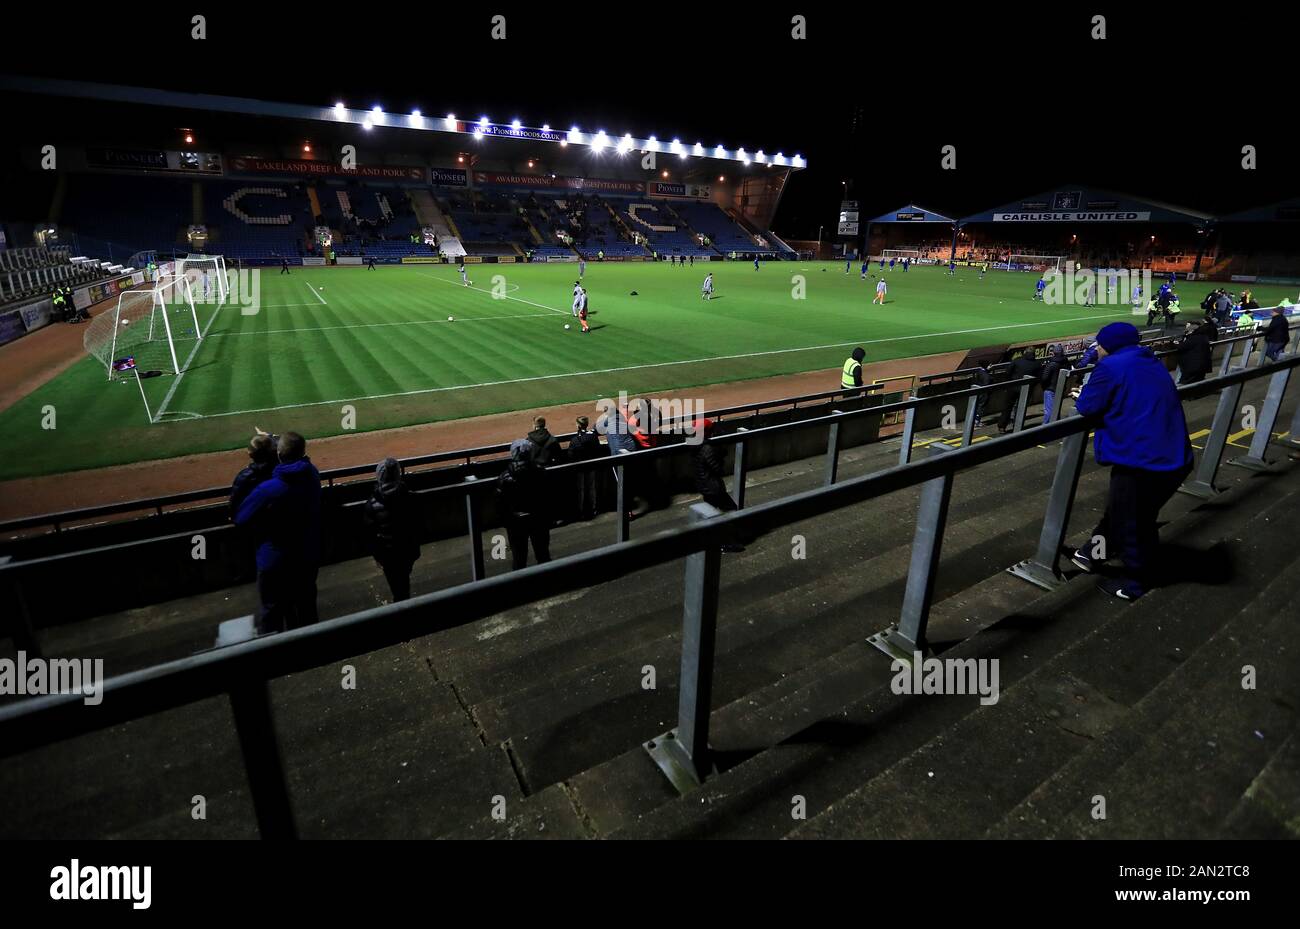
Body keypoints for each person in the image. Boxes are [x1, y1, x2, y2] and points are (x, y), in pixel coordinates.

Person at [1070, 322, 1193, 600]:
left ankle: (1136, 583)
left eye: (1099, 344)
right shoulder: (1150, 361)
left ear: (1109, 346)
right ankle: (1093, 552)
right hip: (1174, 457)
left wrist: (1082, 395)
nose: (1097, 349)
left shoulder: (1110, 367)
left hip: (1145, 461)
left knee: (1134, 523)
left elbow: (1088, 406)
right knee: (1122, 511)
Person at [234, 432, 323, 633]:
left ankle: (274, 655)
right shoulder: (312, 475)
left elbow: (241, 519)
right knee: (306, 605)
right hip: (307, 555)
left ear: (279, 454)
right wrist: (275, 441)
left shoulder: (268, 490)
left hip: (275, 560)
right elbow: (297, 459)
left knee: (272, 611)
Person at [363, 458, 421, 602]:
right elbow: (418, 524)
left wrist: (377, 556)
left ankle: (401, 608)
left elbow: (370, 535)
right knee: (403, 582)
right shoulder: (409, 496)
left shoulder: (372, 503)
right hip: (407, 550)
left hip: (388, 554)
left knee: (397, 587)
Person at [690, 420, 745, 553]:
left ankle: (715, 541)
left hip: (704, 485)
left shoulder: (694, 443)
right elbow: (718, 469)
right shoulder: (707, 448)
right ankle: (726, 544)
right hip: (713, 487)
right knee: (730, 510)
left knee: (712, 514)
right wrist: (720, 453)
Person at [498, 436, 552, 569]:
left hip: (515, 521)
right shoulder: (540, 472)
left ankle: (520, 586)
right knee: (543, 554)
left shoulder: (504, 476)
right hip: (538, 517)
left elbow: (500, 503)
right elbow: (548, 497)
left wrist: (507, 521)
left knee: (519, 558)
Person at [229, 429, 279, 521]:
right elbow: (288, 444)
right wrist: (270, 436)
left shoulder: (245, 476)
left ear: (250, 454)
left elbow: (235, 502)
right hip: (278, 518)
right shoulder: (280, 469)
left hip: (254, 522)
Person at [567, 415, 604, 521]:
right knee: (592, 488)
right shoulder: (593, 436)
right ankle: (593, 508)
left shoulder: (575, 439)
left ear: (578, 425)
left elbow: (570, 454)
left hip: (580, 467)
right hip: (591, 465)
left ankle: (580, 510)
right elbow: (597, 448)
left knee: (580, 490)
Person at [999, 350, 1042, 433]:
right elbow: (1039, 378)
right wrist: (1032, 386)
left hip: (1013, 387)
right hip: (1026, 389)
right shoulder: (1037, 364)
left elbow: (1008, 372)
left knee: (1007, 407)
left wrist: (1008, 384)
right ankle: (1017, 426)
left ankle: (1002, 426)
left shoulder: (1017, 360)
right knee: (1021, 408)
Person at [1040, 344, 1068, 424]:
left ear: (1054, 353)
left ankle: (1044, 430)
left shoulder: (1051, 364)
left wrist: (1044, 386)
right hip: (1061, 389)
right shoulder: (1066, 362)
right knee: (1056, 410)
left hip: (1050, 389)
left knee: (1048, 411)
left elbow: (1044, 378)